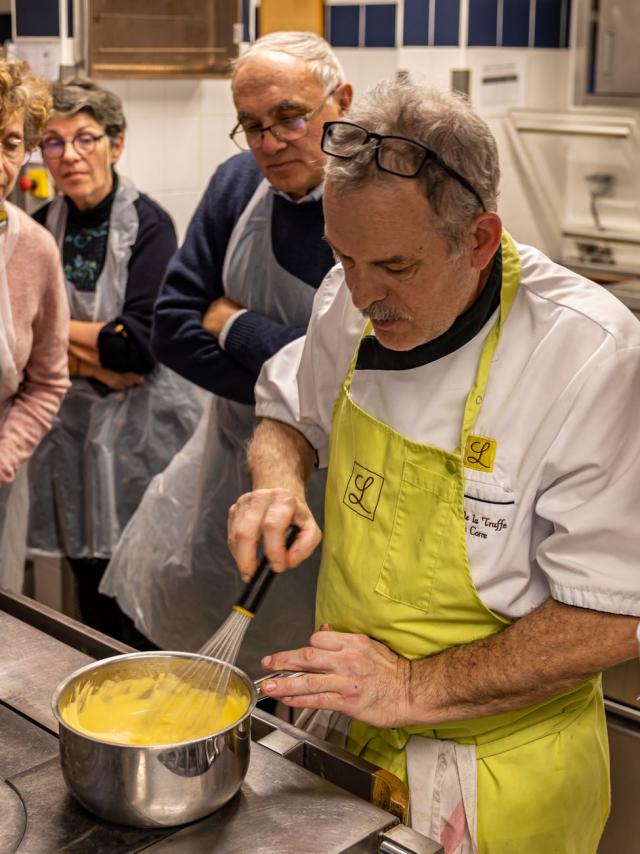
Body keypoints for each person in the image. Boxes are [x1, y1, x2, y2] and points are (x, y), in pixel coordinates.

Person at [227, 80, 640, 852]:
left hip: (499, 775)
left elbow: (616, 614)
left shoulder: (590, 355)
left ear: (479, 239)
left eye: (395, 267)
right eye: (342, 256)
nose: (361, 293)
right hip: (344, 736)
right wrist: (277, 485)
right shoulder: (353, 289)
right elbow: (290, 411)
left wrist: (416, 688)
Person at [99, 32, 353, 671]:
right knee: (211, 649)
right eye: (252, 126)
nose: (270, 142)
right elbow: (173, 328)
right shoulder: (237, 184)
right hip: (230, 464)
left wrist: (235, 324)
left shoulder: (378, 197)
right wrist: (300, 387)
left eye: (290, 117)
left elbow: (367, 369)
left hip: (353, 478)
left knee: (324, 665)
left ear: (341, 101)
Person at [28, 79, 204, 642]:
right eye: (52, 143)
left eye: (84, 137)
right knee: (89, 589)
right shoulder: (38, 228)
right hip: (69, 439)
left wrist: (54, 342)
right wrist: (91, 354)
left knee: (141, 593)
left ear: (116, 144)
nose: (69, 154)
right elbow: (21, 342)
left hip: (139, 442)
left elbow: (137, 350)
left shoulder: (149, 225)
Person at [0, 59, 69, 593]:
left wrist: (3, 458)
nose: (0, 162)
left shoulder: (34, 249)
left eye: (9, 143)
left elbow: (47, 380)